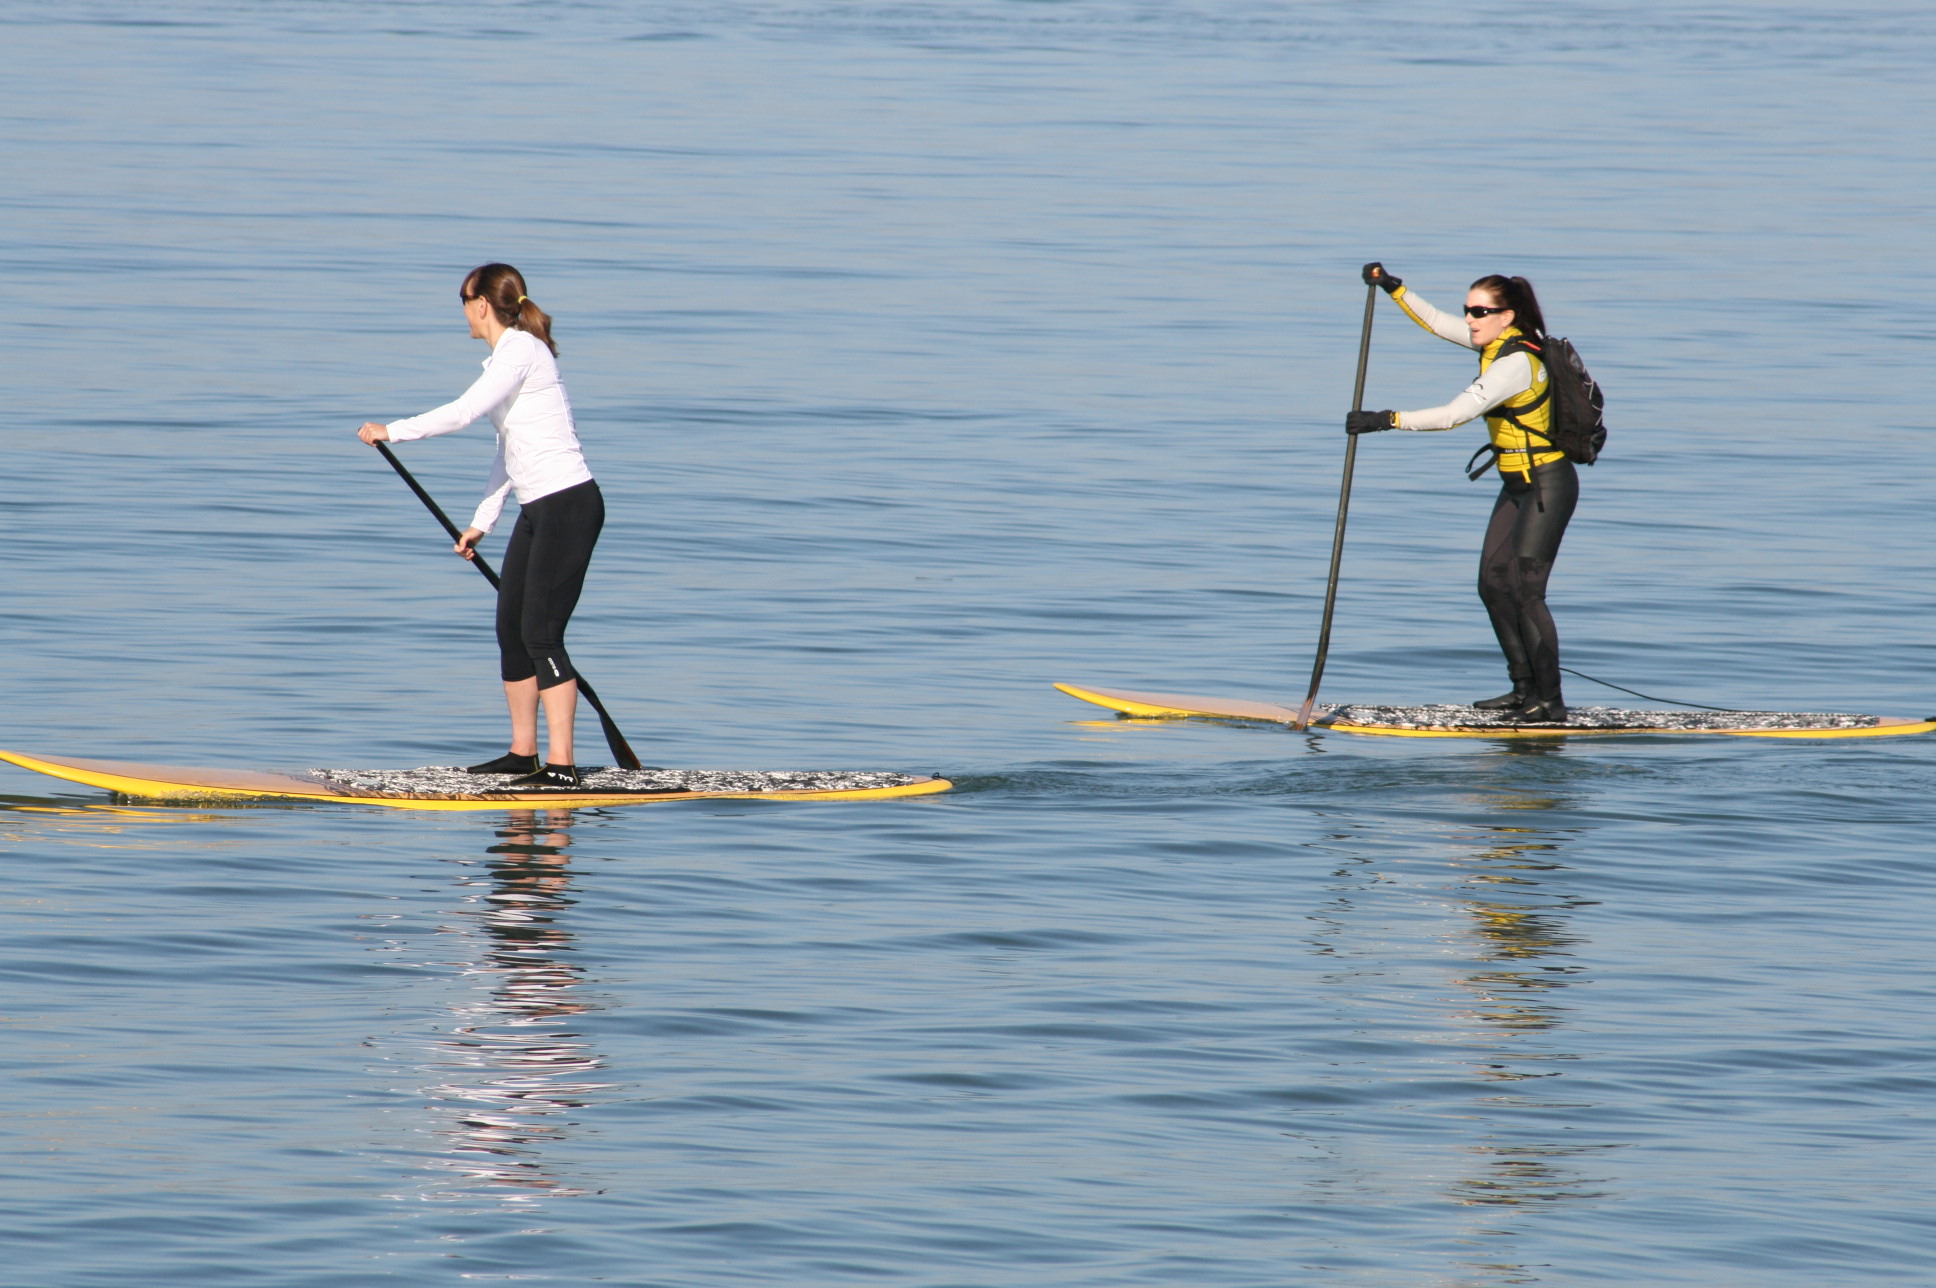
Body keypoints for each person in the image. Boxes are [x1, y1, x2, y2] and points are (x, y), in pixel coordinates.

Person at [359, 263, 606, 787]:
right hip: (538, 509)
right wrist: (481, 523)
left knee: (542, 634)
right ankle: (524, 755)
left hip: (569, 507)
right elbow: (507, 450)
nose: (462, 312)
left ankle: (561, 768)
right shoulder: (507, 357)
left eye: (462, 300)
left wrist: (393, 431)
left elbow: (464, 412)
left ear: (481, 304)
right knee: (511, 631)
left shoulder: (520, 350)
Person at [1345, 263, 1576, 723]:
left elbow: (1454, 415)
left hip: (1548, 485)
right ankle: (1522, 690)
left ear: (1507, 317)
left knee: (1527, 592)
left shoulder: (1515, 363)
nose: (1470, 319)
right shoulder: (1492, 345)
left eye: (1480, 311)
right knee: (1492, 584)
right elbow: (1435, 321)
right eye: (1467, 310)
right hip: (1515, 485)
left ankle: (1550, 704)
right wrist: (1395, 288)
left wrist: (1386, 419)